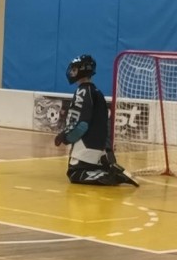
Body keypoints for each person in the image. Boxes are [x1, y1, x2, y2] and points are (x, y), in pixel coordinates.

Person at [54, 54, 138, 186]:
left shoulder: (83, 91)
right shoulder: (97, 92)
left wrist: (65, 137)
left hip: (86, 143)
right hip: (98, 144)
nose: (72, 72)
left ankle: (111, 175)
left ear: (82, 70)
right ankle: (107, 168)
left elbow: (81, 124)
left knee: (74, 173)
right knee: (86, 168)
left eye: (75, 69)